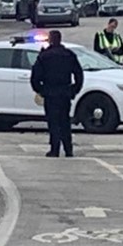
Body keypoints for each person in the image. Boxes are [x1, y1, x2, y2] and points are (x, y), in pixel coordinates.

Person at [30, 30, 84, 158]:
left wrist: (41, 90)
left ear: (50, 40)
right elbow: (79, 74)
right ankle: (68, 149)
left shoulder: (44, 56)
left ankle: (54, 149)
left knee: (53, 122)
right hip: (65, 93)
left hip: (50, 93)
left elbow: (35, 77)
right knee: (65, 122)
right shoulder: (69, 55)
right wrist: (74, 90)